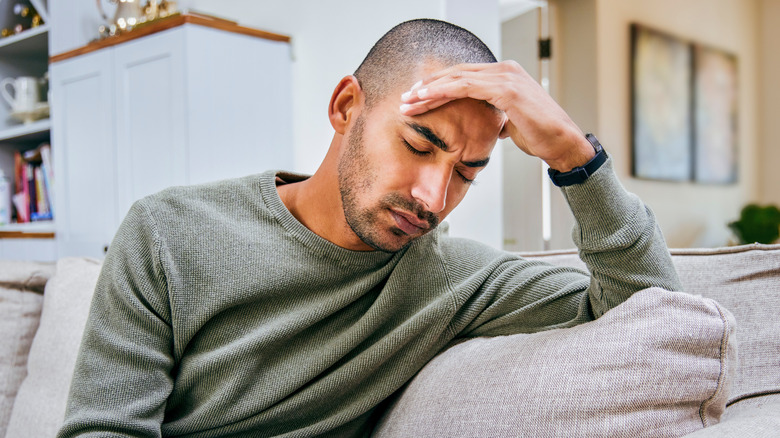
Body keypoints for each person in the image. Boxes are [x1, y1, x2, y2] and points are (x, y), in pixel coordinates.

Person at [58, 18, 681, 437]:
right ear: (345, 107)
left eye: (466, 172)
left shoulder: (454, 279)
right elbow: (103, 428)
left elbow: (651, 311)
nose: (433, 197)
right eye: (418, 144)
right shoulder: (167, 232)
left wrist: (576, 157)